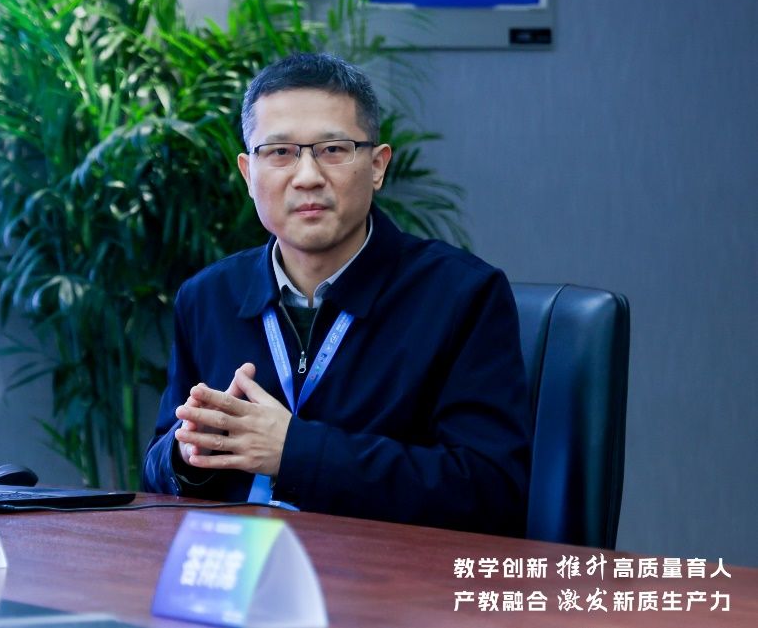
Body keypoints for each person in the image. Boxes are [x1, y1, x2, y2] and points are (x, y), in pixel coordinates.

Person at [142, 52, 532, 536]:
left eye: (332, 149)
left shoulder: (462, 296)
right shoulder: (207, 297)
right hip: (242, 571)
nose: (307, 176)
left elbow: (491, 491)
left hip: (387, 575)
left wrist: (295, 452)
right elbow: (157, 475)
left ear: (377, 166)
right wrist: (187, 453)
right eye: (280, 152)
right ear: (248, 174)